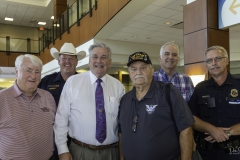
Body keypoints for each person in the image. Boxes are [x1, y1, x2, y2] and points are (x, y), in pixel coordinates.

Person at [54, 43, 125, 160]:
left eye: (104, 57)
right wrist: (62, 149)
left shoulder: (118, 86)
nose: (99, 61)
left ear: (110, 62)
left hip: (111, 153)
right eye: (95, 57)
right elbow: (61, 118)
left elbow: (122, 123)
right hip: (80, 152)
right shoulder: (73, 82)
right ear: (89, 60)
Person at [118, 52, 194, 160]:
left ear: (152, 70)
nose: (138, 72)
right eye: (133, 69)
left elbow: (186, 128)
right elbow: (121, 134)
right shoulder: (125, 99)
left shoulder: (168, 92)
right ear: (129, 73)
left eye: (143, 68)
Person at [0, 54, 56, 160]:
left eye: (37, 72)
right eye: (28, 70)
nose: (33, 76)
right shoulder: (2, 98)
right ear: (16, 72)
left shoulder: (47, 96)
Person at [188, 46, 240, 160]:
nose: (214, 63)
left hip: (236, 152)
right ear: (206, 64)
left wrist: (229, 132)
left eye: (218, 58)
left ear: (226, 60)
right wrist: (212, 130)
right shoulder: (200, 88)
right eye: (209, 60)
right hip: (206, 153)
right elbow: (191, 117)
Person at [38, 42, 86, 160]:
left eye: (71, 58)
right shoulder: (46, 81)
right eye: (64, 58)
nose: (67, 62)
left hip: (77, 139)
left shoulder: (84, 82)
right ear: (58, 61)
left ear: (77, 62)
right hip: (50, 136)